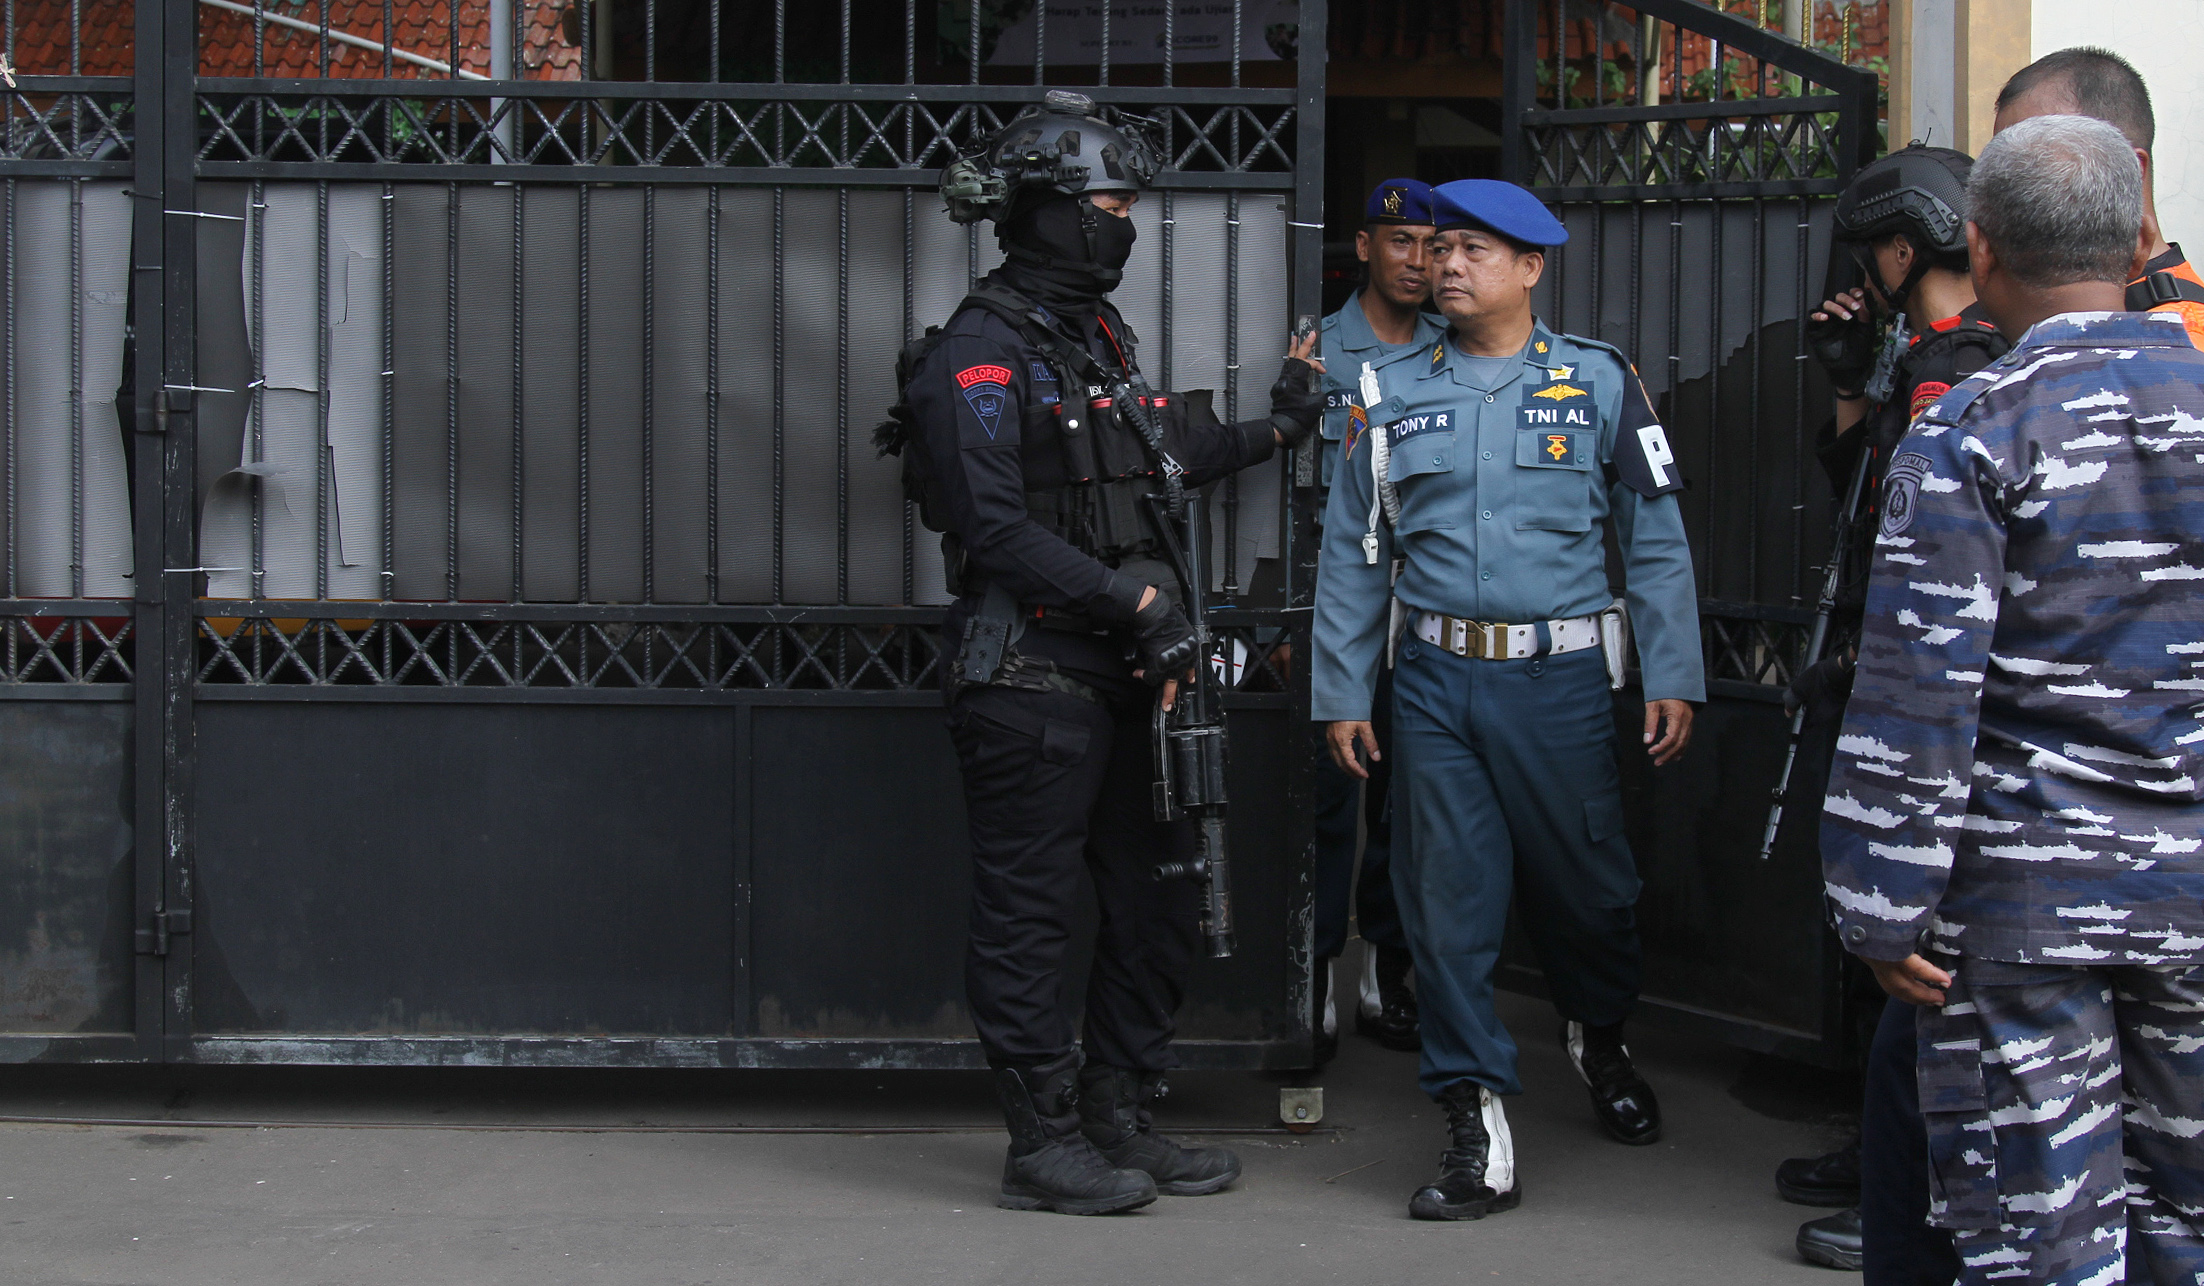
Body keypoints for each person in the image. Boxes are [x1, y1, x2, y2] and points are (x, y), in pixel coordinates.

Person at [885, 90, 1323, 1216]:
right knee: (1029, 914)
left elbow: (1152, 461)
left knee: (1158, 895)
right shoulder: (980, 353)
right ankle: (1040, 1141)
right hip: (1033, 677)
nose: (1126, 222)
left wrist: (1277, 425)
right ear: (1047, 212)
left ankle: (1115, 1113)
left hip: (1136, 674)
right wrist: (1136, 600)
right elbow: (996, 530)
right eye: (1110, 202)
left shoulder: (1091, 338)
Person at [1823, 113, 2204, 1286]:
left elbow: (1915, 697)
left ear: (1977, 252)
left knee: (2041, 1233)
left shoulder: (1972, 430)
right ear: (2137, 229)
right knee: (2184, 1213)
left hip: (2019, 906)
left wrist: (1877, 908)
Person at [1311, 178, 1702, 1221]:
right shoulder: (1386, 388)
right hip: (1433, 682)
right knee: (1445, 904)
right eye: (1436, 248)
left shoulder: (1599, 382)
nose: (1444, 265)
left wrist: (1672, 670)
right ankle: (1473, 1121)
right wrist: (1342, 687)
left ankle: (1597, 1031)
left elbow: (1654, 536)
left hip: (1561, 680)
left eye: (1471, 250)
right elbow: (1355, 552)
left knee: (1590, 889)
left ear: (1530, 267)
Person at [1783, 145, 2006, 1281]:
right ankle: (1873, 1150)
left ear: (1899, 244)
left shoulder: (1962, 364)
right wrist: (1843, 381)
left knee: (1909, 943)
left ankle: (1911, 1190)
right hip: (1881, 676)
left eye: (1871, 248)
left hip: (1914, 697)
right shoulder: (1912, 356)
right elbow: (1860, 489)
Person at [1309, 178, 1447, 1062]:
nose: (1420, 260)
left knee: (1410, 809)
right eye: (1401, 241)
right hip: (1338, 608)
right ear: (1364, 247)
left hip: (1427, 610)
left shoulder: (1454, 348)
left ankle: (1383, 974)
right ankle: (1315, 973)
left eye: (1434, 245)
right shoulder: (1319, 350)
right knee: (1327, 804)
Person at [1994, 46, 2204, 348]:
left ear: (2128, 170)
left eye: (2038, 160)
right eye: (2003, 165)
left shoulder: (2186, 340)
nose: (2013, 187)